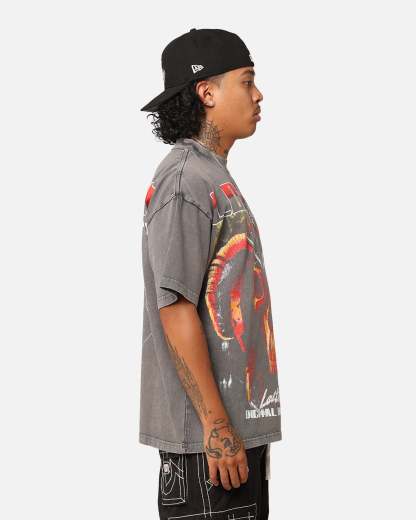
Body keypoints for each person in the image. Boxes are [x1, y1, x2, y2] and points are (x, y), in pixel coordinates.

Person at [139, 28, 282, 520]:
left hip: (231, 440)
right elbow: (175, 306)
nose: (258, 95)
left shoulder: (211, 176)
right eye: (247, 81)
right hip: (210, 450)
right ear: (207, 92)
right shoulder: (185, 180)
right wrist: (217, 428)